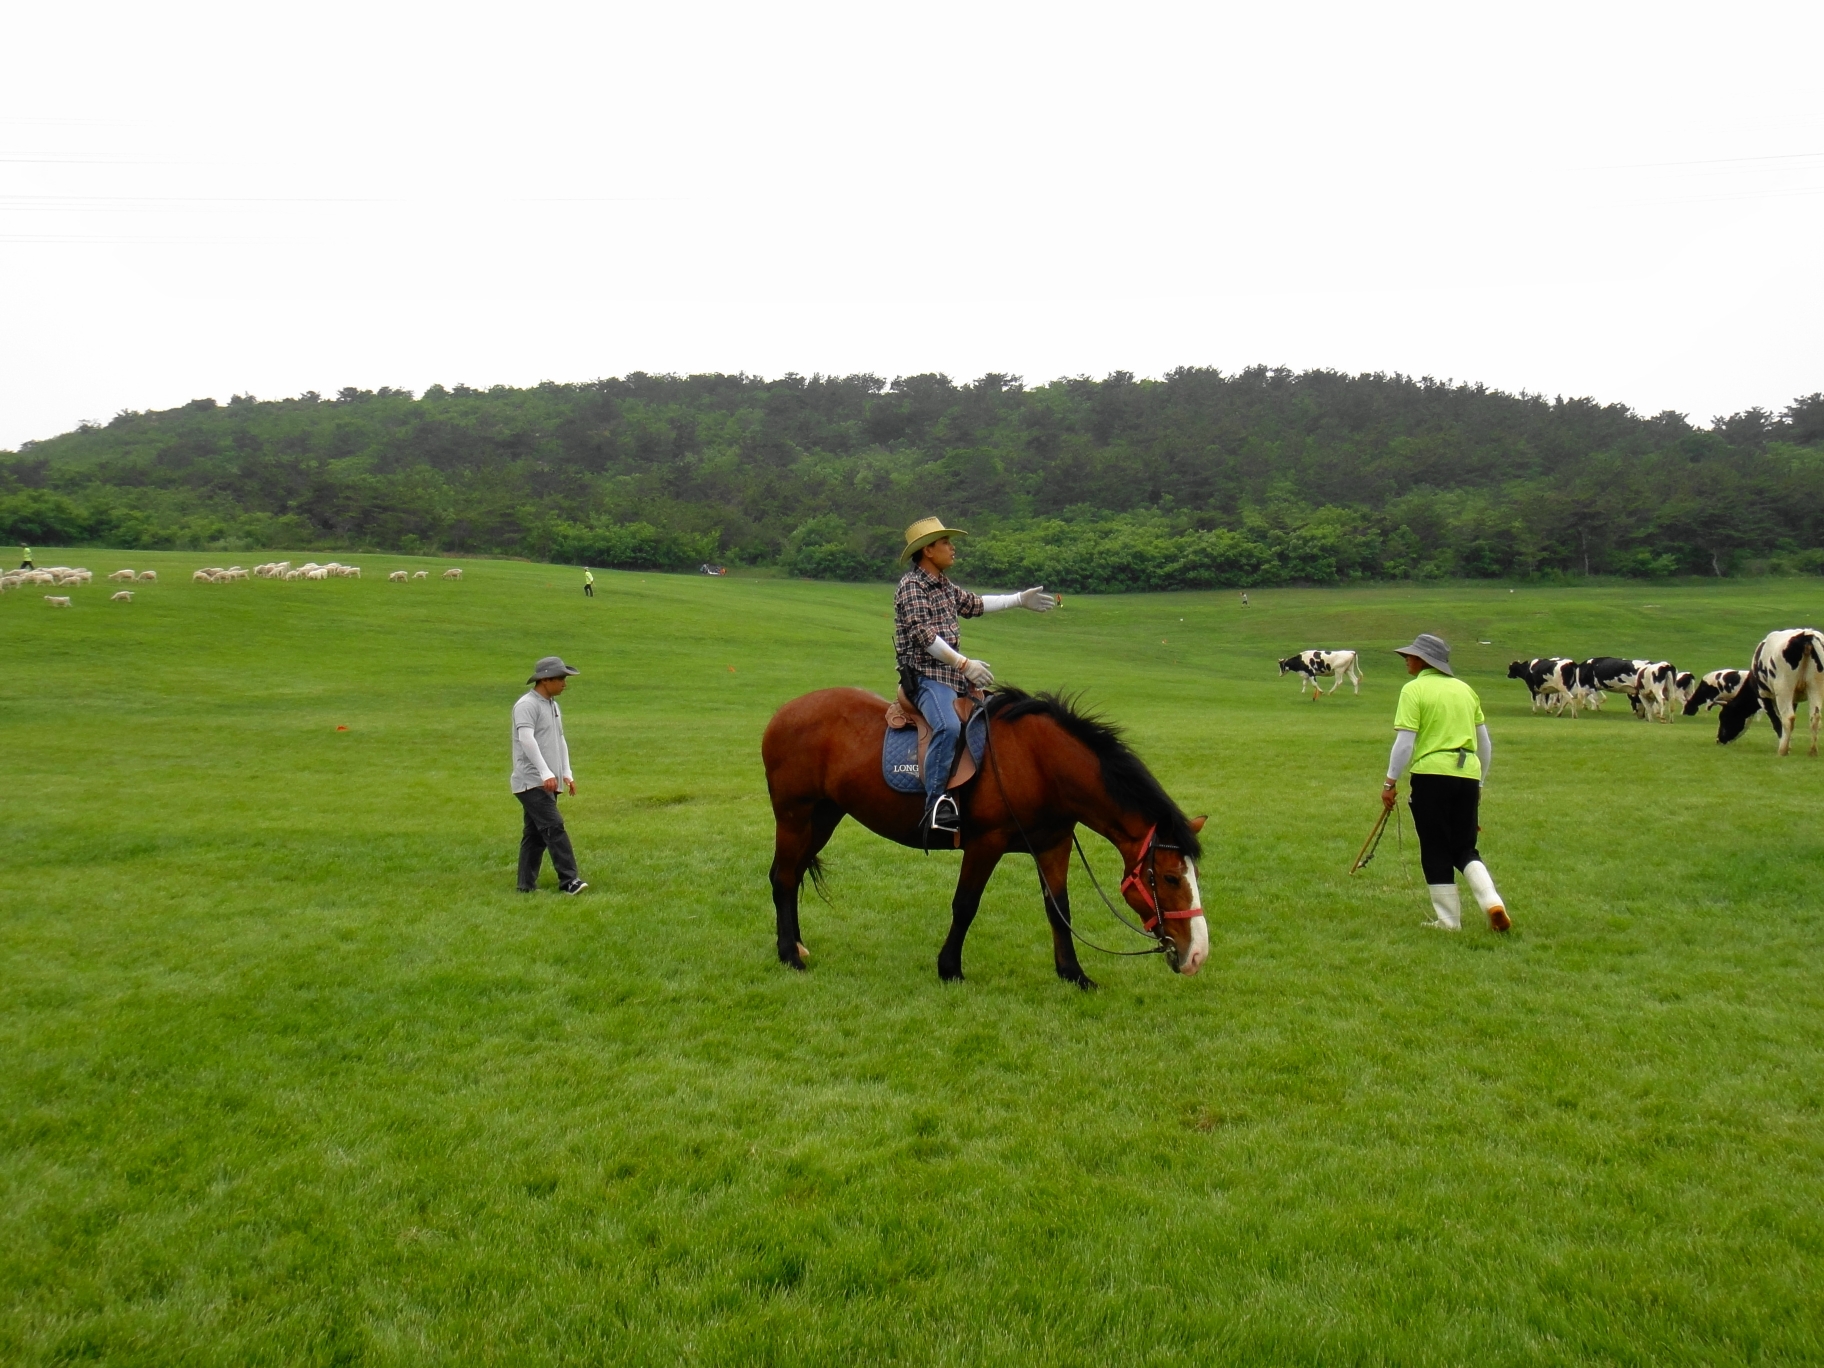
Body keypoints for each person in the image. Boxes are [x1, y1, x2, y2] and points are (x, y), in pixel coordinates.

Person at [894, 517, 1058, 832]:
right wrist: (964, 664)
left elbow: (975, 604)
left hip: (954, 680)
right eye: (945, 543)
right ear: (928, 550)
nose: (952, 548)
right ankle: (936, 806)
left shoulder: (942, 585)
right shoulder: (912, 585)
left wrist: (1019, 599)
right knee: (949, 727)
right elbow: (922, 634)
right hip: (926, 679)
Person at [1380, 633, 1511, 932]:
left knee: (1435, 847)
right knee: (1465, 848)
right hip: (1468, 775)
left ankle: (1448, 921)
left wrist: (1389, 783)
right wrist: (1479, 785)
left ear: (1424, 660)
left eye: (1409, 657)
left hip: (1432, 776)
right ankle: (1492, 902)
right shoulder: (1466, 690)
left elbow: (1404, 743)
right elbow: (1485, 743)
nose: (1406, 661)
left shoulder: (1414, 690)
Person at [512, 656, 587, 894]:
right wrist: (545, 772)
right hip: (531, 781)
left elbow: (560, 739)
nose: (564, 684)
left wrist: (566, 772)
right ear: (545, 680)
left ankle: (525, 886)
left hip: (547, 781)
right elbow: (526, 739)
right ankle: (569, 881)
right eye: (561, 679)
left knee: (534, 835)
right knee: (554, 827)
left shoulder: (552, 705)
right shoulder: (526, 705)